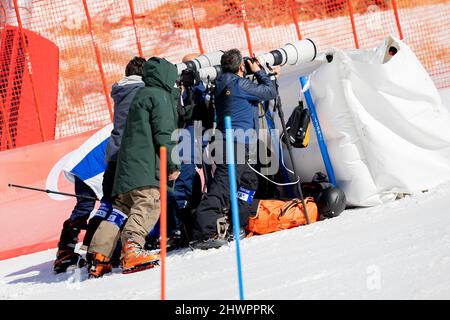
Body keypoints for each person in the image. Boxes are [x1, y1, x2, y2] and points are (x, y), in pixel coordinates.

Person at [87, 57, 180, 278]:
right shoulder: (158, 97)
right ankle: (132, 249)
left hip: (124, 167)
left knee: (120, 210)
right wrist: (172, 163)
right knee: (148, 203)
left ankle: (99, 255)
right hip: (144, 167)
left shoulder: (138, 95)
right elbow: (165, 134)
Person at [53, 57, 146, 273]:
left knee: (96, 207)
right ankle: (68, 249)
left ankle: (73, 246)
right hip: (92, 168)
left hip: (82, 164)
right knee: (101, 205)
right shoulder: (136, 99)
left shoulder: (123, 97)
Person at [190, 48, 279, 250]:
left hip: (229, 141)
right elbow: (270, 92)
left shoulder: (222, 84)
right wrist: (260, 72)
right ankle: (203, 232)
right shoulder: (239, 84)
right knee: (222, 186)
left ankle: (234, 223)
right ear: (241, 66)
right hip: (236, 143)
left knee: (248, 181)